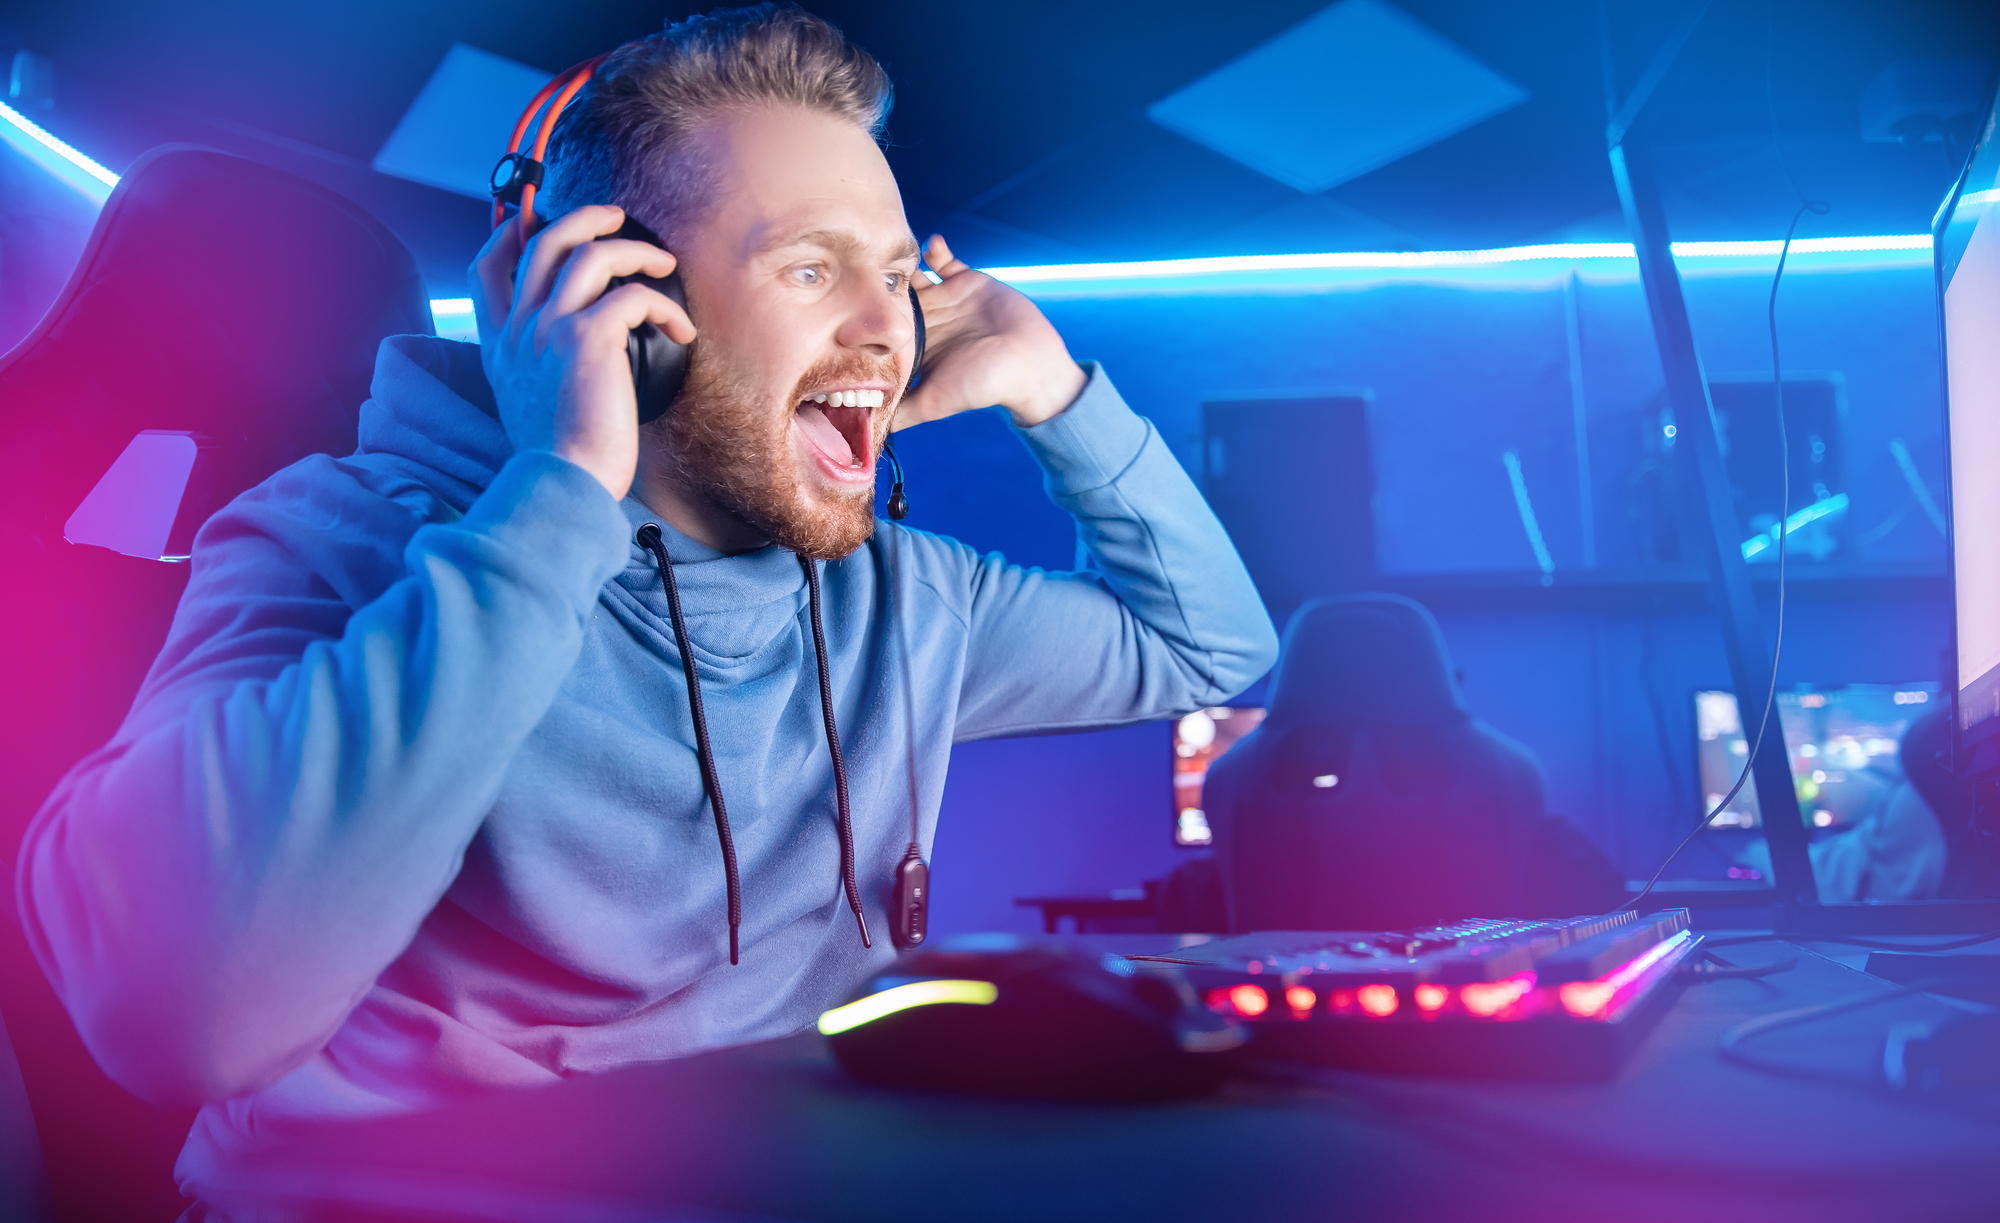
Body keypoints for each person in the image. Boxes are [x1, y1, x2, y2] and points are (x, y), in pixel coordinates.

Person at [13, 3, 1277, 1202]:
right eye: (808, 266)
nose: (884, 328)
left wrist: (1058, 392)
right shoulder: (344, 538)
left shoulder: (893, 594)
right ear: (629, 315)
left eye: (892, 274)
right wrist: (561, 488)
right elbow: (176, 1014)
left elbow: (1208, 644)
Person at [1202, 594, 1623, 932]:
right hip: (1473, 1021)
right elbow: (1603, 899)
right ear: (1446, 679)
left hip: (1275, 1025)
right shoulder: (1510, 772)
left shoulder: (1232, 778)